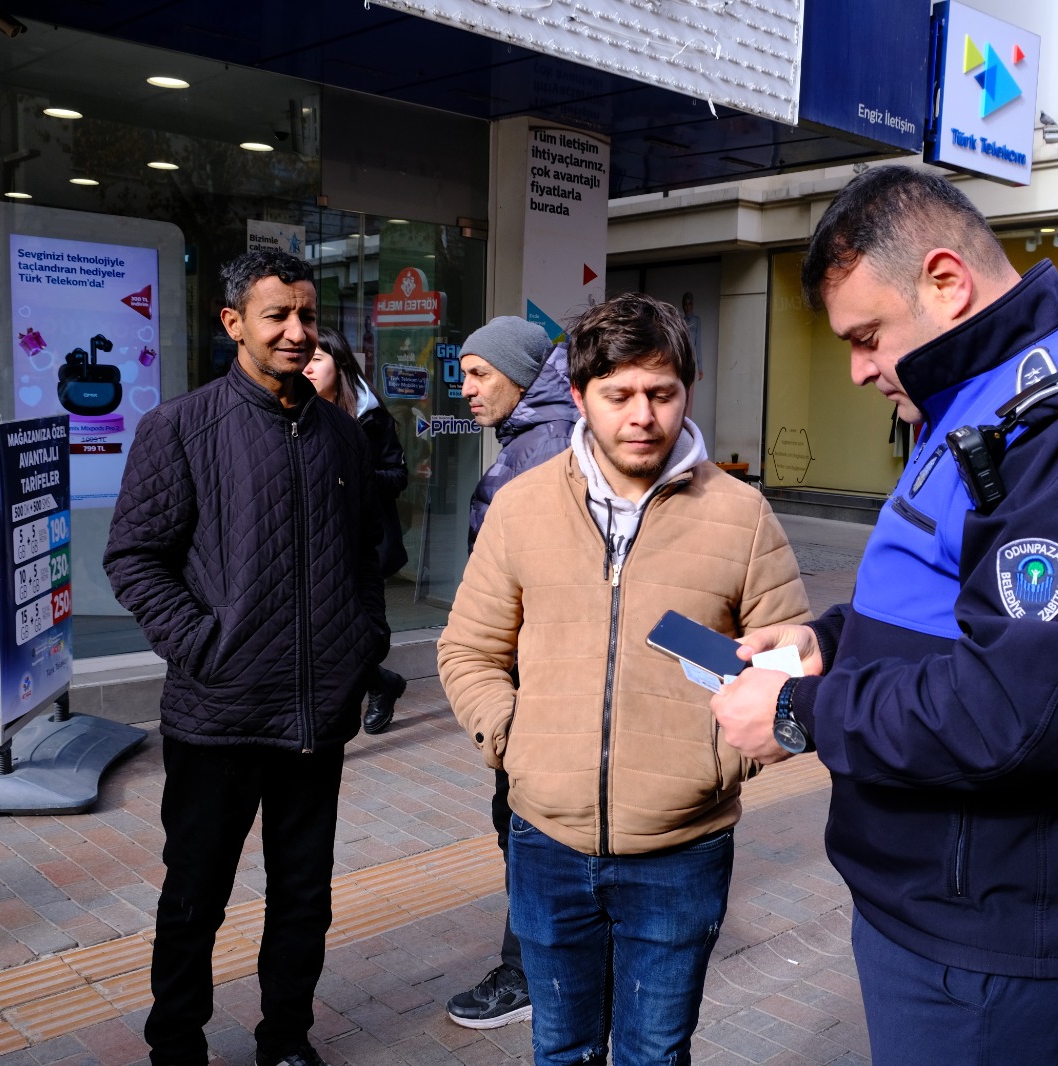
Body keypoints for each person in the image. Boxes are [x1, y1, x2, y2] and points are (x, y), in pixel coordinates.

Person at [709, 166, 1058, 1065]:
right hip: (950, 902)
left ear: (946, 282)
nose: (860, 369)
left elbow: (1009, 715)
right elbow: (950, 598)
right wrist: (828, 641)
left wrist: (797, 715)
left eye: (867, 337)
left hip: (1006, 936)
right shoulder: (984, 396)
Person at [437, 292, 811, 1065]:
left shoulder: (742, 516)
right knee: (561, 1049)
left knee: (654, 1054)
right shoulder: (522, 507)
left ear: (687, 392)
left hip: (683, 849)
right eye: (618, 395)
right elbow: (468, 648)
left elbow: (786, 669)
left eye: (661, 393)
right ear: (579, 397)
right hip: (545, 839)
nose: (641, 415)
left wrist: (713, 764)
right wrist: (515, 744)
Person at [104, 249, 389, 1066]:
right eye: (279, 316)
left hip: (315, 716)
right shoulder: (181, 427)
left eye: (307, 314)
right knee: (195, 895)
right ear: (234, 323)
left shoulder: (342, 432)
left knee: (303, 898)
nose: (299, 332)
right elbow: (133, 557)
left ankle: (286, 1040)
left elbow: (367, 552)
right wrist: (202, 646)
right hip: (216, 714)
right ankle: (176, 1044)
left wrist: (362, 639)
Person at [441, 316, 576, 1028]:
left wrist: (511, 700)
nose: (465, 389)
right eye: (462, 372)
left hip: (539, 686)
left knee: (529, 828)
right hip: (534, 679)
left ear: (521, 377)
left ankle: (531, 974)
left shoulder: (544, 447)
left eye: (479, 373)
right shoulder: (533, 438)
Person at [306, 327, 411, 731]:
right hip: (314, 539)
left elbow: (397, 475)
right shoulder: (296, 409)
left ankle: (380, 684)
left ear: (340, 365)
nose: (308, 369)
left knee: (355, 631)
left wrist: (355, 475)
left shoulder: (368, 415)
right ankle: (380, 682)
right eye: (306, 361)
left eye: (317, 361)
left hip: (362, 541)